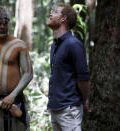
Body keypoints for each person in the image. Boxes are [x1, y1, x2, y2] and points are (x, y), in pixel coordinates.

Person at [47, 3, 90, 131]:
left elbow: (83, 78)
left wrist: (85, 100)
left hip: (69, 110)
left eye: (55, 12)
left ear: (63, 18)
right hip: (55, 109)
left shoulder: (74, 44)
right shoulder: (55, 45)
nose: (51, 14)